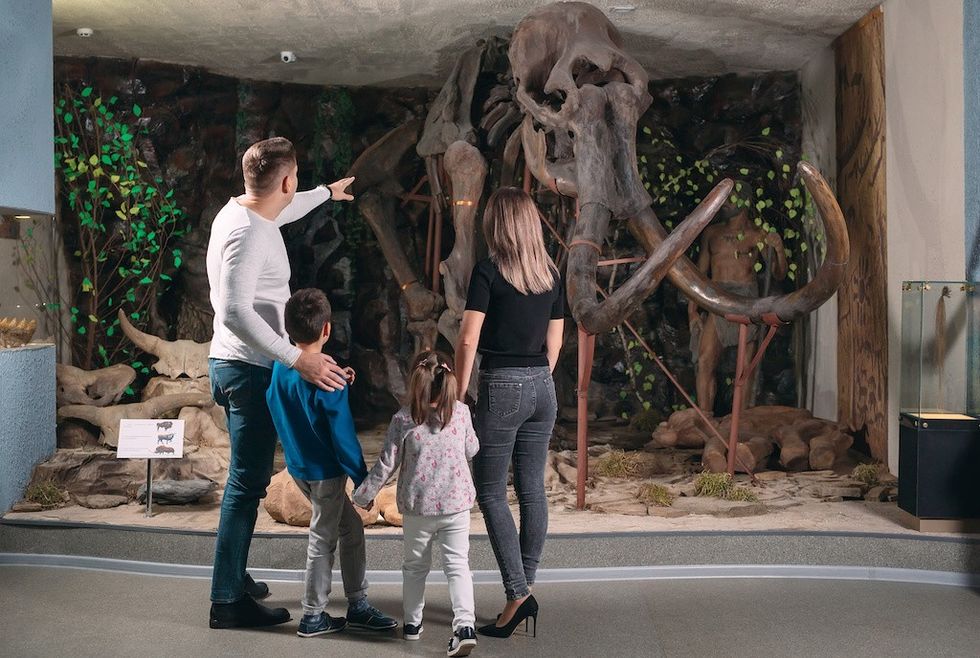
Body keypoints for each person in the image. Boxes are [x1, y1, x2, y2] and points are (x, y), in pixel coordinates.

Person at [207, 136, 356, 629]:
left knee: (245, 481)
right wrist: (298, 359)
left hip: (237, 365)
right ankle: (227, 600)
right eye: (298, 180)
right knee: (246, 484)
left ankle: (234, 573)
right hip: (248, 368)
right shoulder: (249, 234)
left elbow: (284, 213)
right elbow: (232, 312)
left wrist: (325, 194)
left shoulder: (246, 213)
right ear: (285, 180)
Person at [454, 187, 564, 639]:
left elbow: (466, 340)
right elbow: (555, 343)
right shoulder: (551, 274)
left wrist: (460, 393)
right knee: (532, 491)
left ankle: (518, 594)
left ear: (496, 225)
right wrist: (536, 377)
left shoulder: (488, 272)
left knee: (492, 493)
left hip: (501, 385)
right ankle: (523, 591)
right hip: (544, 386)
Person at [266, 288, 398, 637]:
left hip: (299, 469)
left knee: (350, 530)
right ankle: (312, 616)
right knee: (322, 540)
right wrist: (364, 482)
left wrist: (343, 377)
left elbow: (280, 402)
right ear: (327, 329)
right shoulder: (329, 384)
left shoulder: (282, 367)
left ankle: (357, 605)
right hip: (326, 475)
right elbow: (343, 440)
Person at [353, 351, 480, 657]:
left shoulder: (403, 419)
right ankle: (464, 627)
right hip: (456, 506)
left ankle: (412, 625)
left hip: (418, 508)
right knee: (458, 566)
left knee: (414, 568)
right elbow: (473, 449)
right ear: (449, 382)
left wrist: (363, 495)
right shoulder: (461, 413)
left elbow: (387, 464)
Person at [688, 203, 787, 413]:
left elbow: (778, 274)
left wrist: (778, 251)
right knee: (705, 360)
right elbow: (699, 275)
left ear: (745, 202)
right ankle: (705, 417)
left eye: (733, 199)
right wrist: (693, 310)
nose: (727, 204)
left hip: (746, 300)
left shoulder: (758, 235)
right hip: (717, 298)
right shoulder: (712, 233)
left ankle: (740, 420)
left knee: (745, 368)